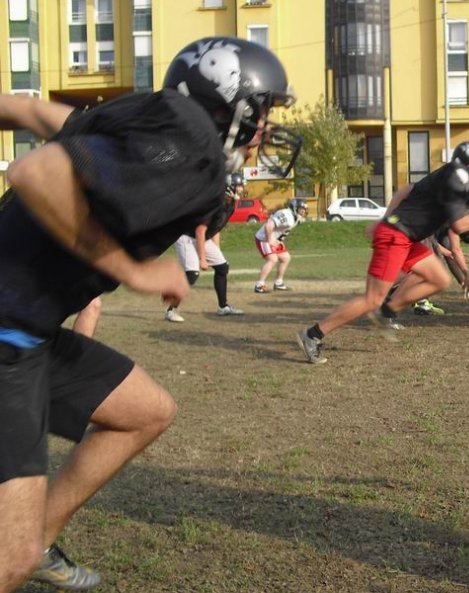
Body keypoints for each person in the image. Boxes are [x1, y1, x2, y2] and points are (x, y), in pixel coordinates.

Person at [0, 36, 299, 593]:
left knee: (146, 411)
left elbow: (30, 110)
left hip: (29, 329)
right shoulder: (192, 147)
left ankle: (36, 536)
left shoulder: (148, 114)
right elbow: (33, 174)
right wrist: (133, 271)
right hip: (7, 334)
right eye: (261, 111)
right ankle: (20, 547)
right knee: (5, 562)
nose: (266, 127)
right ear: (225, 104)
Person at [296, 141, 469, 364]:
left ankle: (386, 311)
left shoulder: (452, 175)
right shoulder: (456, 177)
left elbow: (410, 191)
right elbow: (458, 225)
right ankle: (312, 335)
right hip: (396, 236)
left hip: (407, 237)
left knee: (439, 279)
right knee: (372, 299)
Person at [165, 174, 246, 321]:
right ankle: (171, 310)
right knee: (192, 274)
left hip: (202, 237)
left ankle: (223, 307)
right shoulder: (216, 205)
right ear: (229, 187)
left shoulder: (230, 204)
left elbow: (216, 228)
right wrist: (203, 259)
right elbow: (200, 230)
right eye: (239, 186)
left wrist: (216, 249)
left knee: (222, 267)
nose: (241, 189)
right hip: (187, 237)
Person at [254, 198, 307, 293]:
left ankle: (279, 283)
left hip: (272, 238)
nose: (303, 212)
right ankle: (259, 285)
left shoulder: (295, 218)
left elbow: (281, 230)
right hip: (263, 238)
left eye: (304, 209)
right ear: (294, 208)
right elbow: (268, 226)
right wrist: (270, 239)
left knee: (285, 258)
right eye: (301, 209)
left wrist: (278, 240)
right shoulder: (286, 215)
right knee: (272, 259)